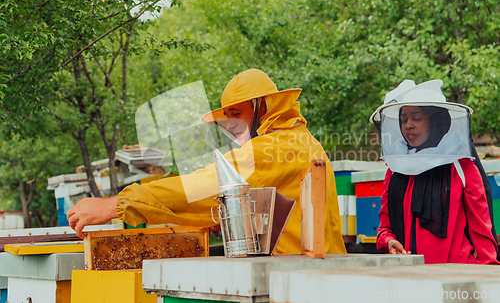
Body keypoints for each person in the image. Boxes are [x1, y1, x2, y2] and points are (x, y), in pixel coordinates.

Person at [67, 69, 347, 254]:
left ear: (263, 106)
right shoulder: (300, 139)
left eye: (237, 113)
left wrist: (117, 204)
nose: (230, 125)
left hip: (298, 281)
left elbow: (200, 186)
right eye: (226, 119)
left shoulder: (269, 149)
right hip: (314, 274)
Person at [371, 79, 499, 264]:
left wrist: (487, 276)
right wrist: (389, 241)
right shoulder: (396, 169)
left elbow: (482, 229)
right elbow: (385, 226)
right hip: (410, 277)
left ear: (436, 121)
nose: (408, 125)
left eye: (416, 118)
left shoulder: (461, 167)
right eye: (403, 119)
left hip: (456, 279)